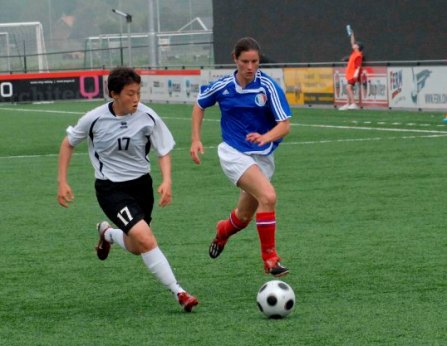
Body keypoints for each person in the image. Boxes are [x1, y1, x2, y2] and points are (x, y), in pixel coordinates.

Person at [57, 67, 198, 312]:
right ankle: (179, 292)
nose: (136, 98)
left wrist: (167, 180)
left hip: (142, 186)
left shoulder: (148, 116)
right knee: (145, 237)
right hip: (111, 189)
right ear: (114, 94)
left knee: (137, 246)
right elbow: (68, 144)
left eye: (138, 92)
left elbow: (163, 150)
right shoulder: (94, 119)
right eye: (130, 93)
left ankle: (108, 234)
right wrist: (62, 181)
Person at [190, 37, 292, 277]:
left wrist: (266, 137)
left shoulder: (268, 87)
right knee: (268, 196)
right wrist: (196, 139)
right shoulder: (223, 86)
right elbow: (199, 105)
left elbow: (284, 125)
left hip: (262, 158)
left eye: (255, 61)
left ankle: (223, 231)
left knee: (244, 217)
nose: (250, 67)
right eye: (245, 61)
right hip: (234, 153)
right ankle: (271, 259)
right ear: (235, 59)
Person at [339, 28, 364, 110]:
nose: (354, 45)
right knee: (348, 88)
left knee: (348, 87)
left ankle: (353, 103)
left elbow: (358, 66)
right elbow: (352, 42)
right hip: (350, 74)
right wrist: (352, 34)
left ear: (358, 47)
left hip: (353, 74)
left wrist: (355, 75)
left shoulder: (358, 55)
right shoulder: (354, 53)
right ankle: (348, 103)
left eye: (356, 44)